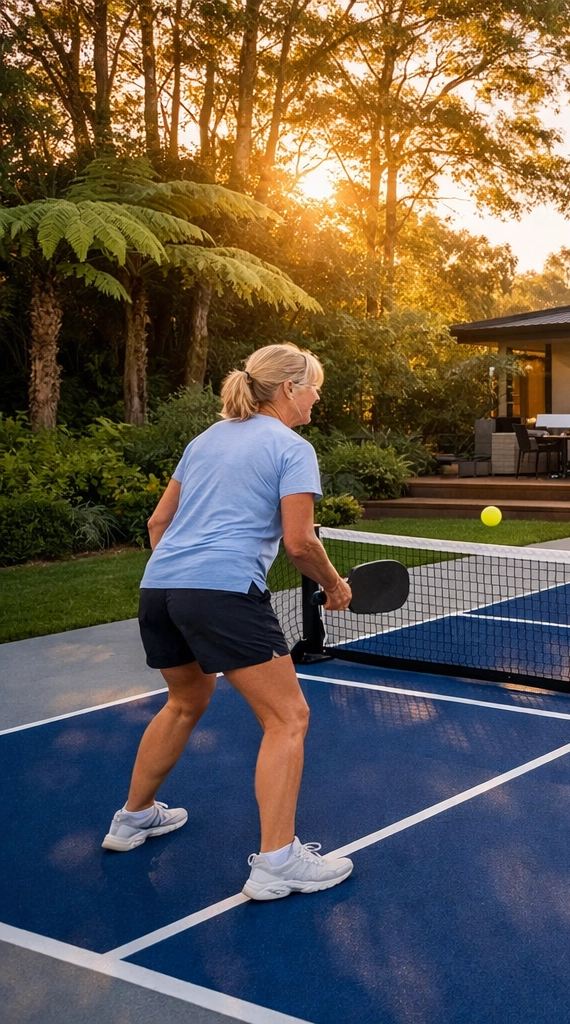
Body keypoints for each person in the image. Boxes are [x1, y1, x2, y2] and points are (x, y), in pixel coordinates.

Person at [104, 343, 357, 902]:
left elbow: (158, 522)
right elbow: (299, 542)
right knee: (287, 718)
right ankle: (277, 864)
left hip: (160, 587)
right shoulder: (292, 447)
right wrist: (335, 585)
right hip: (222, 593)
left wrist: (185, 575)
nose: (317, 398)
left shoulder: (205, 440)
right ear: (289, 389)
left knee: (184, 701)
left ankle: (133, 817)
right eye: (314, 387)